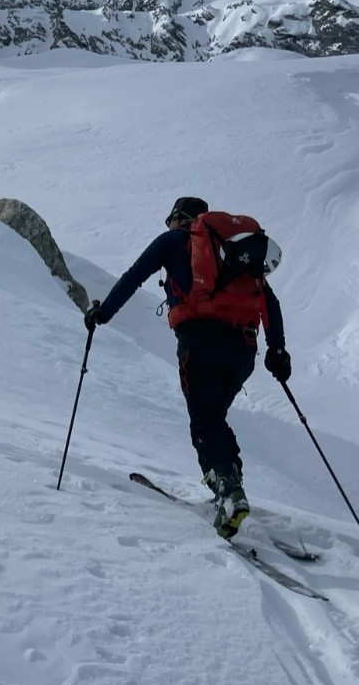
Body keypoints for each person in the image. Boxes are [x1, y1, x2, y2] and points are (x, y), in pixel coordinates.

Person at [85, 196, 291, 539]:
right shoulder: (233, 254)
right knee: (213, 417)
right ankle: (230, 482)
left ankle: (227, 490)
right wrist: (278, 350)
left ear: (179, 219)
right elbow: (269, 301)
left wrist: (101, 314)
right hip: (244, 349)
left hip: (200, 343)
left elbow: (134, 276)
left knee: (204, 423)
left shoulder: (173, 241)